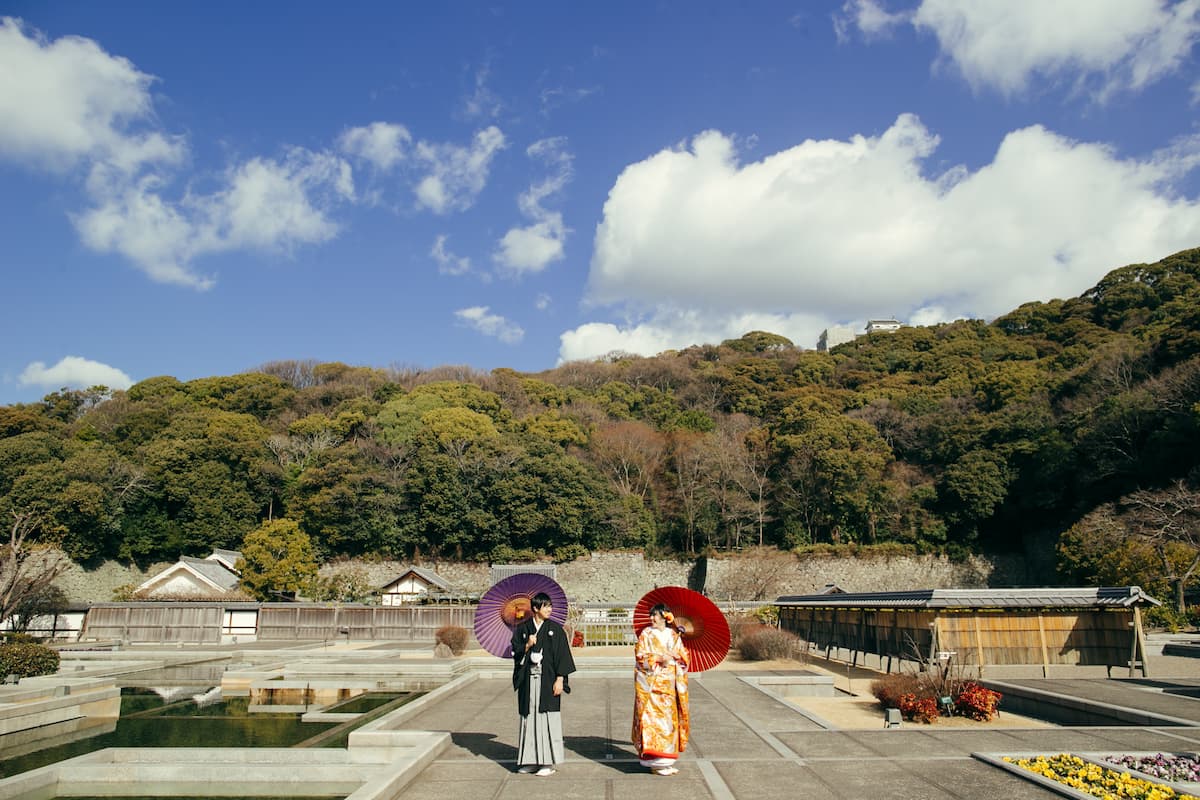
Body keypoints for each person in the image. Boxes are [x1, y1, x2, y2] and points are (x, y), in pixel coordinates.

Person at [511, 591, 576, 776]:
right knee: (528, 717)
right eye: (545, 606)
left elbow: (563, 656)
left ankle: (547, 762)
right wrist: (526, 646)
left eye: (550, 606)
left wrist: (560, 679)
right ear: (535, 609)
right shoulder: (523, 629)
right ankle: (530, 760)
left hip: (548, 681)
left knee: (547, 718)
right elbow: (515, 652)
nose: (549, 609)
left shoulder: (555, 630)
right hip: (528, 681)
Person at [631, 603, 690, 776]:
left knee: (668, 725)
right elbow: (640, 656)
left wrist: (676, 658)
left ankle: (666, 761)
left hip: (669, 686)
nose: (652, 619)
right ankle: (655, 763)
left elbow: (684, 659)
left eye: (655, 615)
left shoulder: (674, 636)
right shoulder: (646, 634)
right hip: (652, 688)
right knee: (653, 724)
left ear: (665, 616)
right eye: (651, 615)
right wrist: (658, 658)